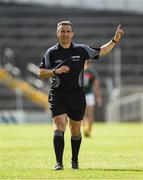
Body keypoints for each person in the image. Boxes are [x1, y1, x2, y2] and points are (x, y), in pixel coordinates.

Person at [38, 20, 124, 170]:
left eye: (67, 31)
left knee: (75, 129)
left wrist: (114, 40)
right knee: (59, 125)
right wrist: (54, 71)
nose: (65, 34)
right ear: (57, 33)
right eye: (62, 31)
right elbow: (41, 72)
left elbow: (102, 51)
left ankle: (74, 160)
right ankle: (58, 162)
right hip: (57, 94)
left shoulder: (81, 50)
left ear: (72, 34)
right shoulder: (51, 52)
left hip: (77, 95)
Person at [83, 61, 102, 137]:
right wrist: (98, 97)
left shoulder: (79, 70)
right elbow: (96, 85)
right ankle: (89, 131)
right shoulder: (92, 71)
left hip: (80, 95)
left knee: (81, 115)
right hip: (89, 95)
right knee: (90, 114)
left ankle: (84, 129)